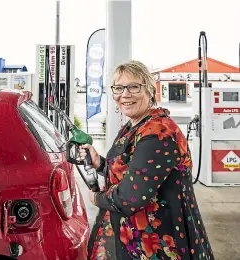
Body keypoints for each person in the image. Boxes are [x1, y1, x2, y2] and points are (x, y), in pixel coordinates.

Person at [79, 60, 214, 260]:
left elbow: (130, 197)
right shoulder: (136, 126)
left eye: (133, 87)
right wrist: (100, 163)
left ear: (150, 91)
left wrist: (97, 198)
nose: (125, 94)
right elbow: (131, 170)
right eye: (119, 88)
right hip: (135, 235)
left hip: (156, 243)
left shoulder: (159, 133)